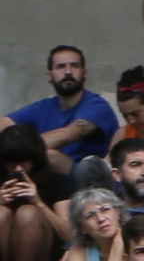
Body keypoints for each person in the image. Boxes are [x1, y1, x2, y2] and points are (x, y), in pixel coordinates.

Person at [12, 46, 113, 178]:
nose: (68, 72)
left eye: (75, 66)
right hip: (51, 182)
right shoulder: (42, 106)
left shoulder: (97, 105)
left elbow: (69, 134)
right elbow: (4, 123)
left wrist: (16, 149)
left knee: (49, 156)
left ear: (84, 73)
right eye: (60, 67)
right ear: (50, 76)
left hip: (90, 182)